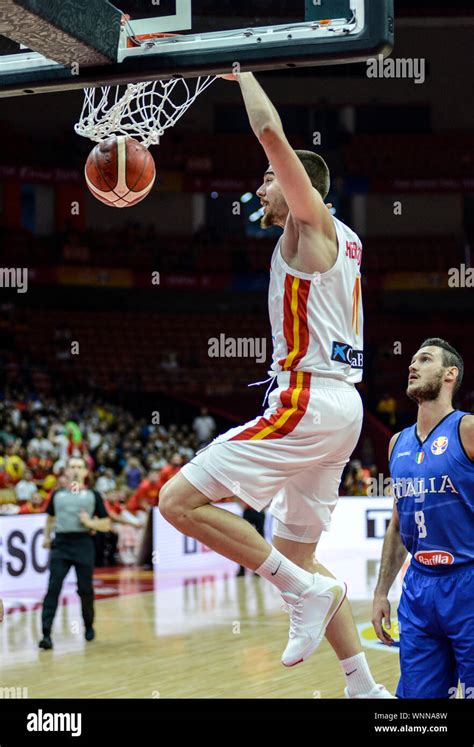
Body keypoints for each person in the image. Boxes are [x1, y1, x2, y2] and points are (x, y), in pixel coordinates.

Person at [160, 71, 390, 698]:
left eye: (268, 179)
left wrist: (242, 72)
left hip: (307, 398)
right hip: (338, 405)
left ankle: (303, 592)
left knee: (176, 502)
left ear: (300, 187)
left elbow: (269, 132)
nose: (258, 188)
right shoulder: (348, 241)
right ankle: (363, 687)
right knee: (300, 558)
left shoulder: (310, 225)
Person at [372, 339, 474, 698]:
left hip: (468, 581)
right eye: (412, 360)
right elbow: (398, 525)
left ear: (450, 374)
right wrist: (382, 591)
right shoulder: (396, 443)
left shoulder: (467, 429)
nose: (412, 365)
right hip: (418, 587)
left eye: (425, 359)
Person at [39, 456, 111, 650]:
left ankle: (88, 625)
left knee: (85, 589)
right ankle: (46, 634)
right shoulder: (58, 495)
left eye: (80, 467)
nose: (76, 470)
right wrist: (47, 537)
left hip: (83, 543)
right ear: (67, 472)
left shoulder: (93, 495)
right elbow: (50, 518)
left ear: (86, 472)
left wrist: (90, 523)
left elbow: (106, 524)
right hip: (61, 544)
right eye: (72, 467)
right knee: (53, 588)